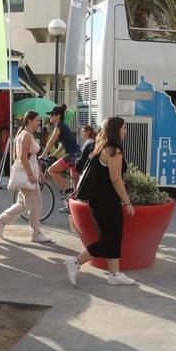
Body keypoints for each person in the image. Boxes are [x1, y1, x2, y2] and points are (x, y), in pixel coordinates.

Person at [65, 117, 137, 286]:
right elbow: (116, 180)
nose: (125, 131)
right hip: (107, 201)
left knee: (112, 237)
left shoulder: (100, 146)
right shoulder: (113, 150)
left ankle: (115, 274)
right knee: (109, 240)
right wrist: (127, 202)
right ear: (116, 130)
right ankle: (75, 262)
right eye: (124, 128)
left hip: (99, 200)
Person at [0, 110, 51, 244]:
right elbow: (23, 156)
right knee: (35, 204)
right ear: (29, 121)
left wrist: (39, 173)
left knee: (23, 204)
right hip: (28, 173)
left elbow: (29, 157)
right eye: (37, 120)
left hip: (29, 172)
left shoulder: (24, 134)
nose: (39, 122)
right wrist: (31, 174)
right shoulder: (26, 135)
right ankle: (35, 233)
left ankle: (1, 221)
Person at [42, 105, 81, 209]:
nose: (50, 116)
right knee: (75, 184)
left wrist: (44, 154)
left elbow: (51, 141)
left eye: (52, 114)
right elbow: (63, 144)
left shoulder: (58, 126)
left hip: (72, 155)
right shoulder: (63, 125)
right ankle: (71, 206)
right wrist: (54, 154)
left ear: (58, 116)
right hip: (75, 154)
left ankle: (67, 190)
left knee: (51, 170)